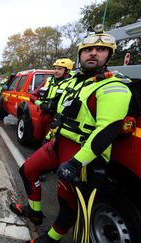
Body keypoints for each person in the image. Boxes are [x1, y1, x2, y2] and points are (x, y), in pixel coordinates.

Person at [10, 28, 131, 242]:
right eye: (88, 49)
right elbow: (53, 105)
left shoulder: (114, 87)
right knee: (27, 170)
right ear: (80, 54)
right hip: (59, 142)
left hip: (83, 151)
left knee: (66, 199)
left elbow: (107, 131)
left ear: (109, 55)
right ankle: (35, 213)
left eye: (100, 49)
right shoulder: (72, 81)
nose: (93, 53)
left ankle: (54, 237)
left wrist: (76, 163)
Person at [30, 58, 74, 143]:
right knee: (36, 136)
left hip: (58, 118)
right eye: (55, 68)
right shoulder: (48, 80)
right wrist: (41, 104)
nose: (56, 71)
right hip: (44, 114)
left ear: (67, 71)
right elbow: (33, 96)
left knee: (50, 142)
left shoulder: (73, 83)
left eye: (60, 69)